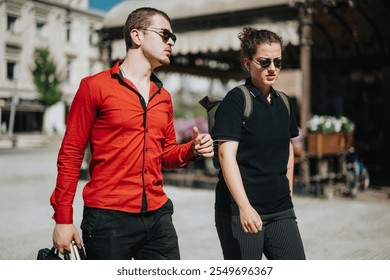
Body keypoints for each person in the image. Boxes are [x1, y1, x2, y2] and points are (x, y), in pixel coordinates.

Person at [50, 7, 214, 260]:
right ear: (137, 36)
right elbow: (71, 154)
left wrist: (191, 149)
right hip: (107, 220)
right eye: (164, 34)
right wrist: (63, 219)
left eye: (173, 37)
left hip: (159, 217)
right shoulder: (94, 87)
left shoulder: (164, 97)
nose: (171, 41)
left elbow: (166, 155)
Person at [211, 27, 306, 260]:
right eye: (264, 62)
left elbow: (288, 148)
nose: (272, 68)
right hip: (241, 209)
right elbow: (226, 156)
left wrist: (289, 189)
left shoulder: (284, 101)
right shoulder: (236, 99)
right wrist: (244, 207)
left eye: (278, 62)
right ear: (248, 63)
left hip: (280, 208)